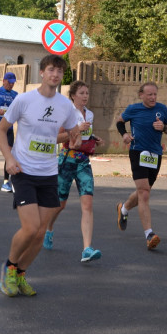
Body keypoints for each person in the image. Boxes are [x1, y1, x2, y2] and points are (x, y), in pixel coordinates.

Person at [0, 55, 83, 297]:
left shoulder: (65, 105)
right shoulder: (24, 100)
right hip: (23, 170)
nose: (55, 75)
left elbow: (62, 137)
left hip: (48, 173)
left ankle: (21, 273)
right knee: (31, 227)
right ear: (42, 73)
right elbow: (2, 131)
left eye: (60, 71)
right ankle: (10, 267)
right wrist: (9, 159)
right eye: (51, 70)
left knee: (41, 231)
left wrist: (74, 135)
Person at [43, 80, 102, 262]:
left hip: (83, 161)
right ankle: (48, 229)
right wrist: (74, 131)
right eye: (82, 93)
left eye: (87, 93)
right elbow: (56, 137)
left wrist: (93, 138)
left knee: (88, 204)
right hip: (67, 159)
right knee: (61, 204)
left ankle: (87, 249)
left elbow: (84, 135)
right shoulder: (66, 113)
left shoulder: (89, 114)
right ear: (73, 95)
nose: (85, 96)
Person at [115, 81, 167, 249]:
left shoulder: (161, 109)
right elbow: (120, 122)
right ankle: (149, 234)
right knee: (144, 192)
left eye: (155, 94)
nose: (153, 97)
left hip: (155, 154)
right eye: (150, 94)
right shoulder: (133, 109)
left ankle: (124, 208)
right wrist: (124, 134)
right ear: (141, 95)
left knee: (144, 191)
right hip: (138, 151)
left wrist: (163, 127)